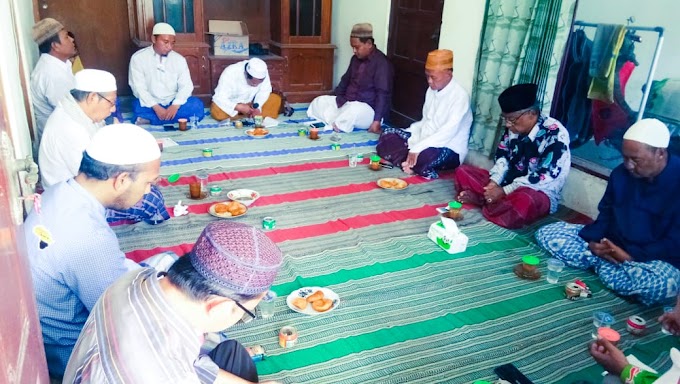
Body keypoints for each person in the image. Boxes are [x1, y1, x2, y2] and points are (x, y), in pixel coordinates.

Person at [23, 123, 174, 378]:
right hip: (76, 353)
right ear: (122, 180)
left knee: (167, 263)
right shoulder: (87, 236)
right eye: (149, 182)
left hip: (62, 318)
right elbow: (122, 316)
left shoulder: (61, 192)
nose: (149, 190)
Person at [63, 221, 284, 384]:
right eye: (246, 312)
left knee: (232, 353)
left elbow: (191, 362)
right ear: (219, 307)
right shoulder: (167, 374)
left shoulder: (137, 278)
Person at [536, 118, 680, 306]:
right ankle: (607, 266)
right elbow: (606, 213)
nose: (628, 165)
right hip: (610, 244)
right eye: (625, 158)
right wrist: (595, 242)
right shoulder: (621, 174)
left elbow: (674, 242)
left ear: (660, 153)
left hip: (649, 259)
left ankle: (605, 266)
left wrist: (631, 256)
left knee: (661, 285)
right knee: (547, 233)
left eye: (635, 160)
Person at [454, 83, 571, 229]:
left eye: (513, 119)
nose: (508, 125)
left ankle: (485, 202)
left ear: (532, 113)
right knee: (463, 171)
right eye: (505, 119)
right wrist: (494, 182)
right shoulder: (514, 128)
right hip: (506, 184)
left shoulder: (555, 133)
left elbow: (544, 176)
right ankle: (493, 202)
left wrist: (504, 191)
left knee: (525, 201)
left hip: (536, 191)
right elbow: (502, 157)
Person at [376, 49, 472, 179]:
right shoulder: (431, 90)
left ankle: (410, 162)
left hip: (447, 148)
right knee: (387, 134)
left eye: (434, 77)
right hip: (423, 139)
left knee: (425, 156)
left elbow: (447, 132)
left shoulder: (460, 97)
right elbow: (425, 121)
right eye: (427, 76)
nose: (429, 81)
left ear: (448, 75)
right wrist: (412, 136)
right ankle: (409, 163)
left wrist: (418, 147)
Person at [307, 22, 392, 134]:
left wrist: (376, 121)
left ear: (369, 43)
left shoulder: (381, 63)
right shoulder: (355, 59)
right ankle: (337, 121)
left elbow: (383, 94)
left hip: (367, 110)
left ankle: (337, 121)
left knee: (354, 110)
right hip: (347, 103)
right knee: (319, 102)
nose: (354, 51)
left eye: (357, 47)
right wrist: (335, 100)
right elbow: (345, 81)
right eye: (352, 47)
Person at [39, 69, 117, 188]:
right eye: (111, 102)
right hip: (68, 195)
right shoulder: (70, 128)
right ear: (92, 97)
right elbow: (95, 176)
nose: (113, 109)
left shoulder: (78, 110)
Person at [129, 22, 204, 125]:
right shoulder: (138, 58)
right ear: (154, 39)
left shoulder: (179, 59)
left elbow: (186, 86)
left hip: (173, 101)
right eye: (165, 42)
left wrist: (175, 105)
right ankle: (170, 118)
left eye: (172, 43)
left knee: (197, 106)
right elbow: (138, 88)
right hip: (150, 103)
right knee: (137, 105)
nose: (169, 47)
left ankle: (150, 120)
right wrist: (156, 107)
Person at [30, 18, 77, 149]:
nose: (72, 40)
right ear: (55, 46)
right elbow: (71, 112)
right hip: (60, 140)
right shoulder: (51, 74)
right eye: (66, 37)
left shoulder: (58, 64)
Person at [211, 57, 283, 121]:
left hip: (251, 103)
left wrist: (257, 107)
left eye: (259, 82)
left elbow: (265, 91)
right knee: (217, 111)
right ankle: (248, 115)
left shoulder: (263, 71)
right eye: (254, 83)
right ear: (246, 74)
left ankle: (248, 114)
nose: (256, 85)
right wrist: (238, 107)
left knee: (275, 99)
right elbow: (219, 97)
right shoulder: (230, 72)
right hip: (234, 104)